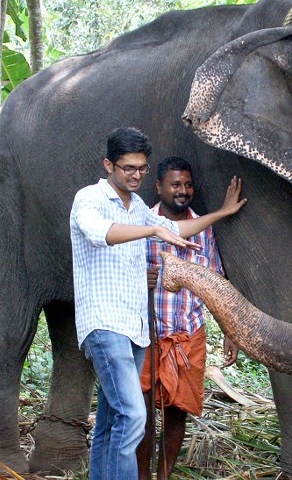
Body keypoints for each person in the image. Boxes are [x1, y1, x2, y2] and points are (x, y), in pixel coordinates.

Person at [70, 127, 246, 480]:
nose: (135, 175)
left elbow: (177, 230)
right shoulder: (89, 199)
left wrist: (222, 214)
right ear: (109, 165)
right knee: (135, 415)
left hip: (136, 329)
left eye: (141, 169)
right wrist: (152, 231)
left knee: (110, 420)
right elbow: (100, 233)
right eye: (127, 168)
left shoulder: (137, 207)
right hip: (105, 325)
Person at [136, 157, 239, 480]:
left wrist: (230, 331)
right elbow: (116, 271)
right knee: (142, 414)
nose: (183, 191)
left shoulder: (203, 229)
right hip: (147, 333)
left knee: (178, 410)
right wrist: (142, 277)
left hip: (188, 334)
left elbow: (216, 281)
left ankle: (164, 475)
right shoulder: (141, 223)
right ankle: (141, 475)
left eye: (188, 185)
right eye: (175, 185)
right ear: (159, 187)